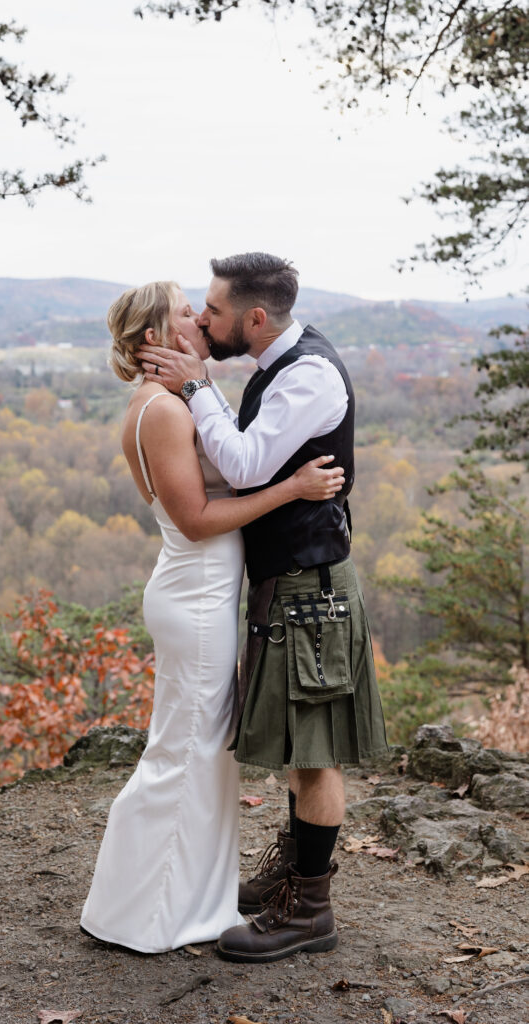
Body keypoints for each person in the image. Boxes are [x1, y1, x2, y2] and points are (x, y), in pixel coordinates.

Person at [79, 280, 345, 954]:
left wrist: (200, 389)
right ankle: (148, 914)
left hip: (201, 595)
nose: (198, 319)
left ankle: (178, 898)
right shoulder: (161, 413)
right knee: (186, 750)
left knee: (198, 750)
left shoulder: (172, 401)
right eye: (183, 314)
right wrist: (292, 487)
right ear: (153, 340)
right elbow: (195, 522)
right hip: (194, 596)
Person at [138, 253, 389, 964]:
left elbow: (245, 465)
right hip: (288, 585)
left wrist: (194, 388)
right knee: (297, 746)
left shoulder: (306, 372)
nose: (202, 320)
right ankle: (294, 874)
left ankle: (309, 910)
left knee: (313, 754)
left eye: (211, 310)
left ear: (253, 317)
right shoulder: (274, 368)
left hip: (310, 587)